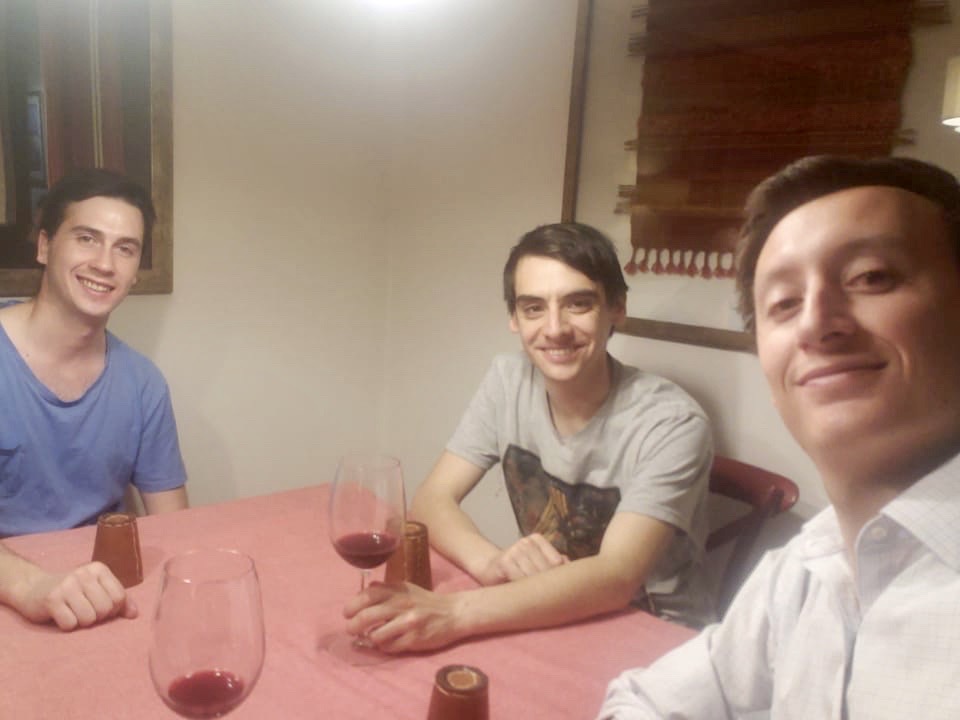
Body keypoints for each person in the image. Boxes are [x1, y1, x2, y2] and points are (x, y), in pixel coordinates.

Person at [598, 154, 960, 719]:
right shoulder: (804, 570)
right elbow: (644, 702)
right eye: (783, 304)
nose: (814, 323)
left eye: (872, 277)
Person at [344, 222, 714, 652]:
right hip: (547, 612)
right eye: (534, 308)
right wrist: (492, 563)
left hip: (657, 637)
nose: (555, 328)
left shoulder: (672, 422)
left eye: (578, 304)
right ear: (514, 319)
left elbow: (617, 576)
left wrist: (456, 613)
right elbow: (431, 500)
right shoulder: (509, 380)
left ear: (617, 308)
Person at [0, 168, 188, 631]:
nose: (105, 264)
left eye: (125, 248)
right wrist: (31, 587)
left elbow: (175, 530)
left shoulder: (143, 384)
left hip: (105, 602)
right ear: (45, 247)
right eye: (87, 238)